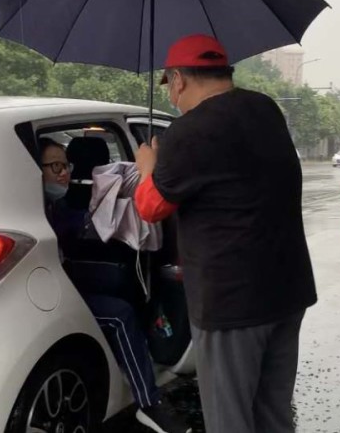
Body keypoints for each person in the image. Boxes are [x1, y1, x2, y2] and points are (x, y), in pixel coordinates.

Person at [133, 34, 317, 433]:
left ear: (178, 79)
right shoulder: (265, 109)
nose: (172, 98)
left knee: (229, 419)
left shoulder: (190, 131)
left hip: (232, 303)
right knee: (273, 413)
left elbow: (150, 207)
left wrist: (148, 166)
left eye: (171, 87)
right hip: (288, 290)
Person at [39, 139, 190, 433]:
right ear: (35, 170)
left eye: (65, 165)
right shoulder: (39, 210)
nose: (63, 173)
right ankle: (149, 404)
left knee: (124, 294)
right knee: (120, 315)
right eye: (54, 166)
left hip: (65, 283)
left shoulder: (66, 201)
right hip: (51, 294)